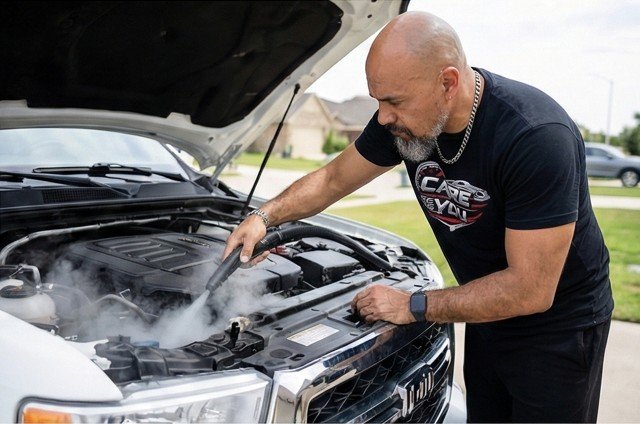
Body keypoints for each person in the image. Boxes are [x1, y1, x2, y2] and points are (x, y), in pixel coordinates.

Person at [222, 11, 613, 423]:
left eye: (394, 101)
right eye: (378, 100)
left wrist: (413, 304)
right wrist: (263, 217)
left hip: (560, 329)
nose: (384, 117)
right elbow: (333, 179)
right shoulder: (405, 122)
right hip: (486, 306)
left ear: (448, 83)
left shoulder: (534, 135)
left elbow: (530, 290)